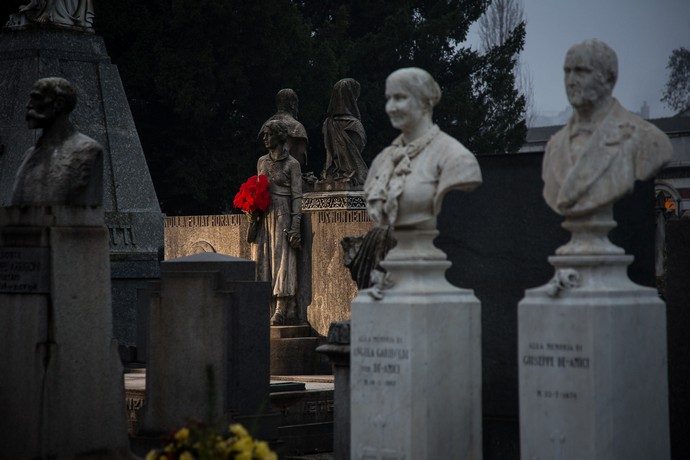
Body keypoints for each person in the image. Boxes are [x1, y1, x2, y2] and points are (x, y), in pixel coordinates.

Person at [542, 39, 673, 218]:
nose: (571, 81)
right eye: (567, 72)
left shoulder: (648, 139)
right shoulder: (554, 146)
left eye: (581, 71)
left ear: (609, 78)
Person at [364, 67, 481, 231]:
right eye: (389, 98)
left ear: (425, 103)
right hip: (394, 252)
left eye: (400, 98)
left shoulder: (456, 158)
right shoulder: (382, 161)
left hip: (429, 251)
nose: (390, 107)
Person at [11, 77, 102, 206]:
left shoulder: (87, 151)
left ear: (58, 104)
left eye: (36, 98)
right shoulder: (28, 155)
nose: (28, 105)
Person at [252, 119, 303, 325]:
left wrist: (295, 224)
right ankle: (266, 304)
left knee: (282, 258)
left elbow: (297, 196)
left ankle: (283, 306)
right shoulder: (262, 162)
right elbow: (257, 189)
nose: (265, 138)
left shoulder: (293, 164)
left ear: (279, 136)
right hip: (265, 214)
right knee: (263, 258)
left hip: (283, 213)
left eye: (268, 134)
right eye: (264, 135)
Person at [321, 78, 368, 186]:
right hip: (352, 175)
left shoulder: (327, 123)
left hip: (331, 173)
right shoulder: (354, 125)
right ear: (351, 97)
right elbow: (359, 147)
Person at [259, 89, 309, 169]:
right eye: (296, 104)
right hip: (288, 172)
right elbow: (301, 158)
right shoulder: (297, 127)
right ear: (292, 104)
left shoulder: (266, 126)